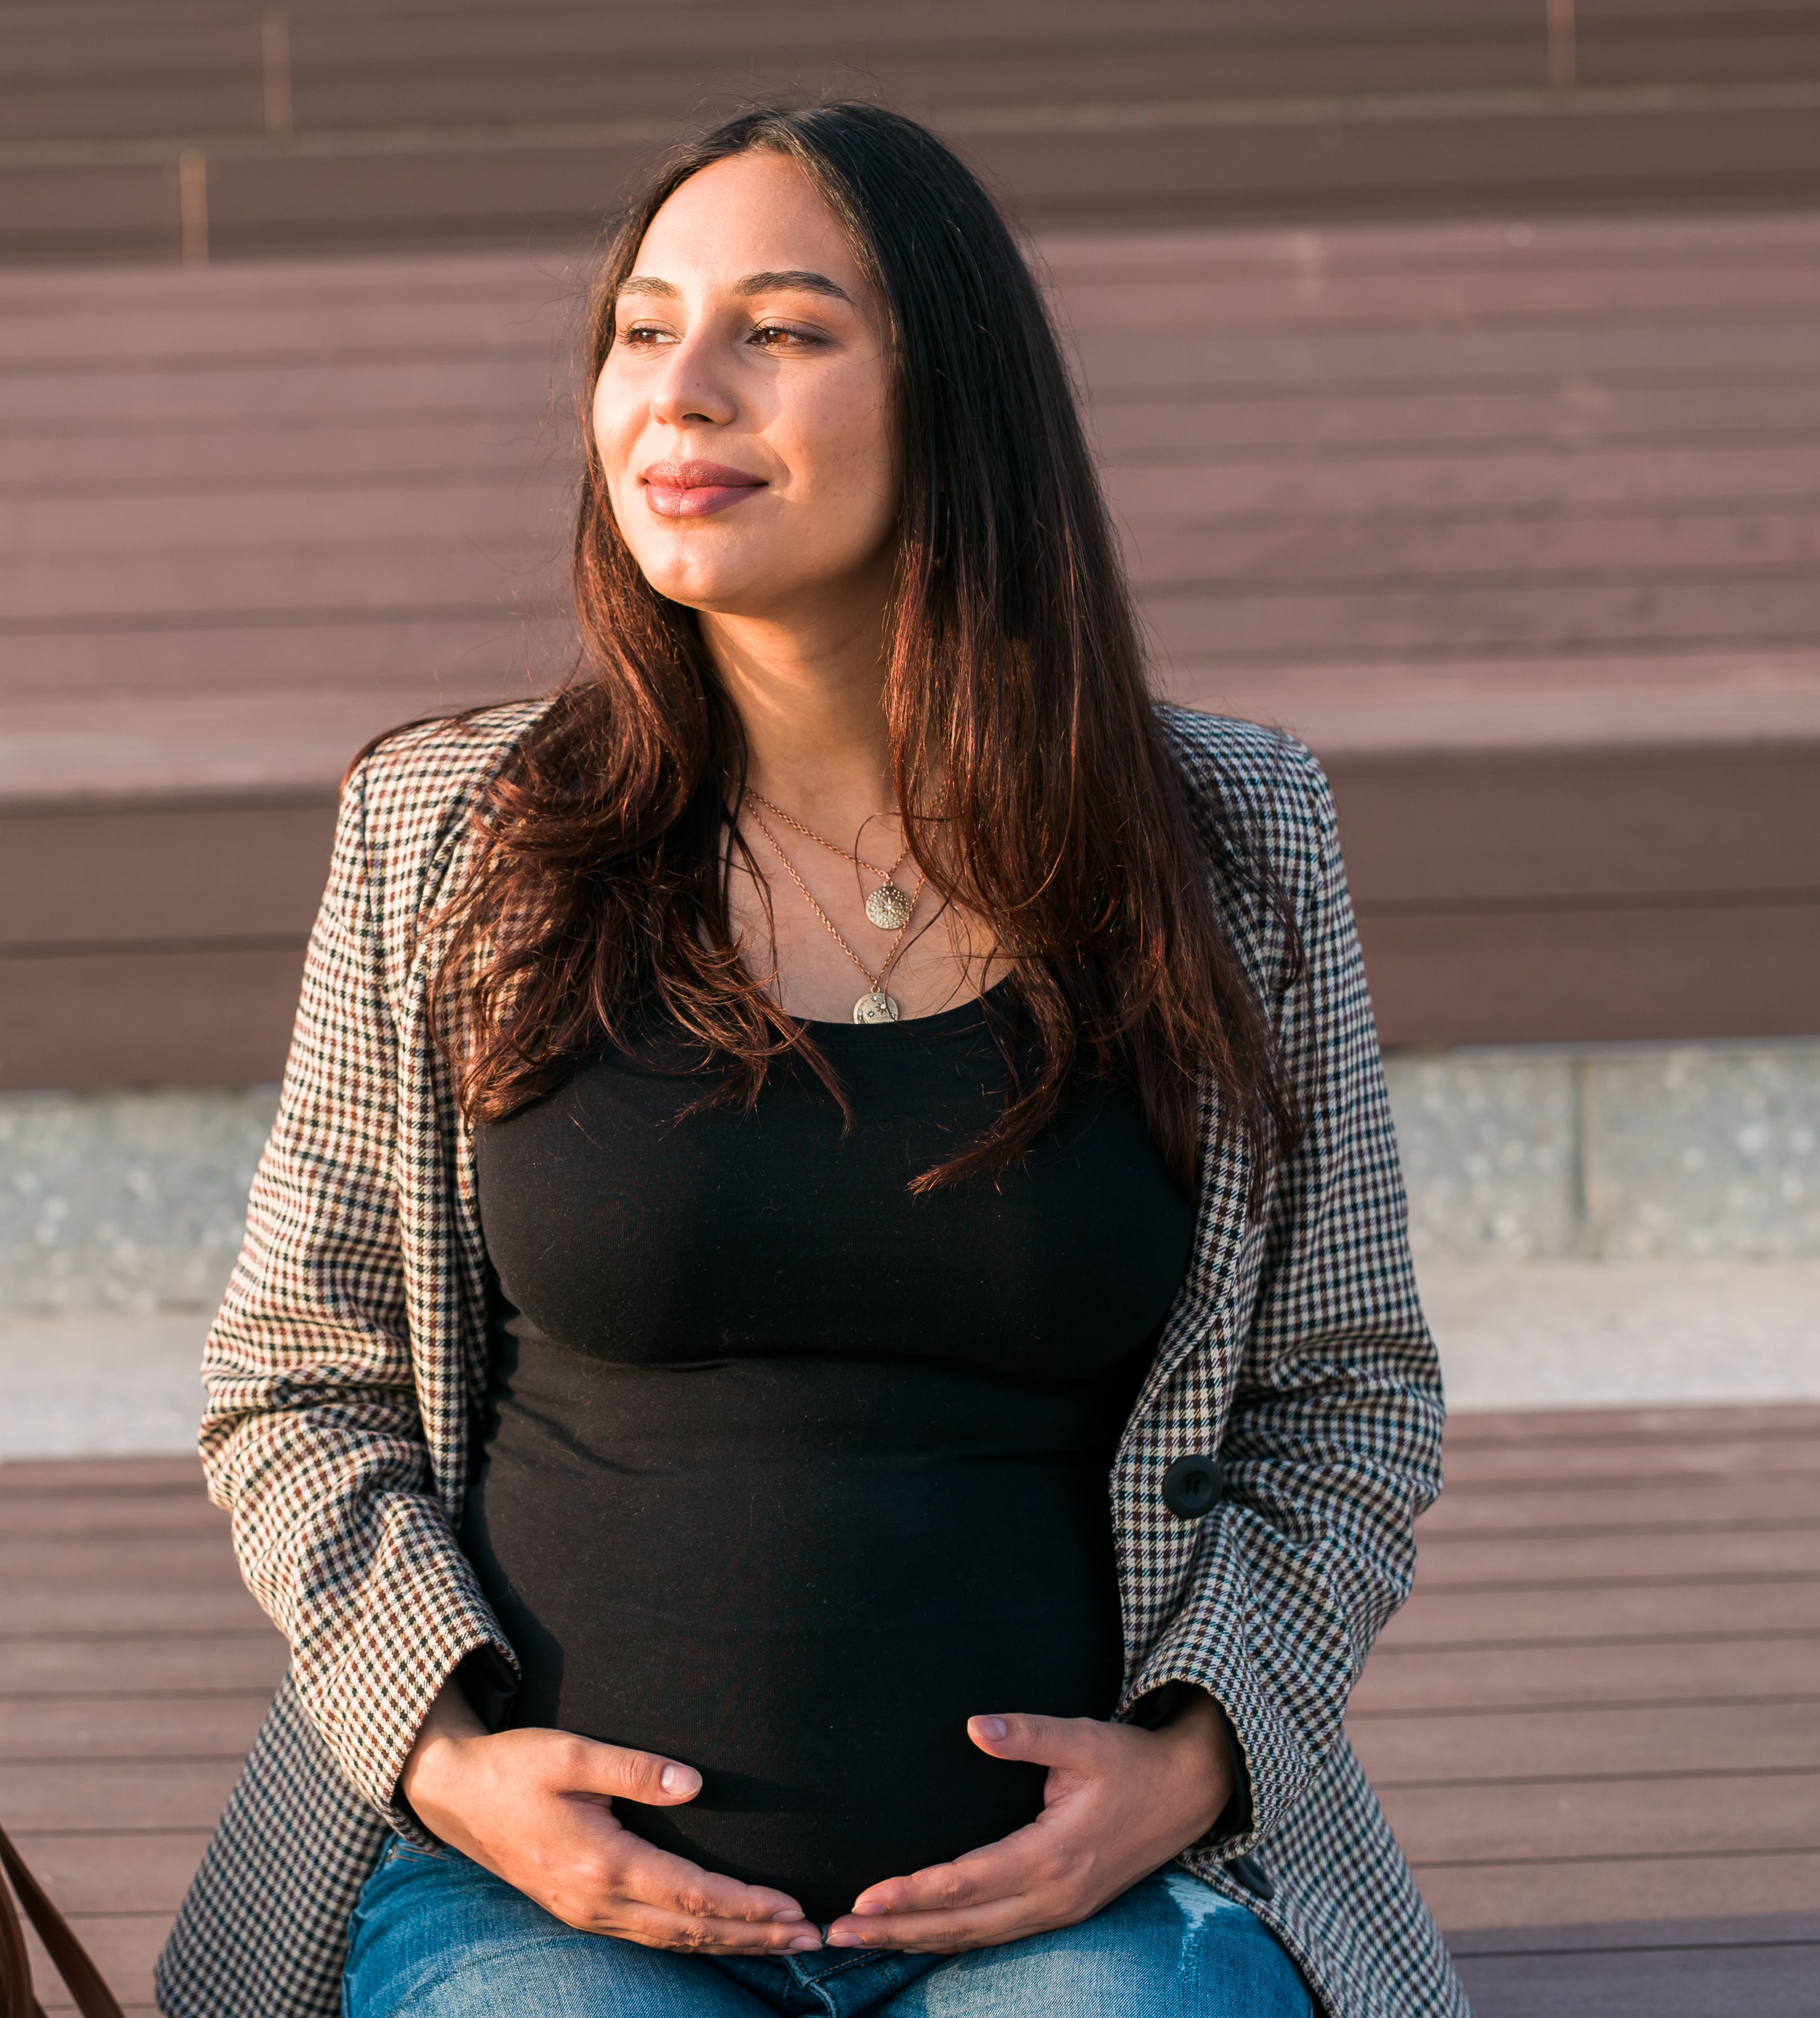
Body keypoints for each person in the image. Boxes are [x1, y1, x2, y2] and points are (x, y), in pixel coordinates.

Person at [155, 102, 1462, 2018]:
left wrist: (1190, 1763)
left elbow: (1344, 1394)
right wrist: (450, 1766)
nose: (677, 388)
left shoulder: (1228, 839)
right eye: (640, 328)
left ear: (955, 401)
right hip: (534, 1913)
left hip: (1089, 1915)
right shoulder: (453, 833)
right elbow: (297, 1379)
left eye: (776, 329)